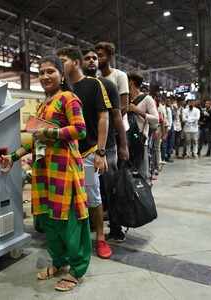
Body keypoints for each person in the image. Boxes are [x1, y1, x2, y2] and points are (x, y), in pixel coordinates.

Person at [0, 56, 90, 292]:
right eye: (41, 72)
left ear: (62, 75)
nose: (45, 76)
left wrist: (50, 134)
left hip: (65, 170)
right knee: (51, 222)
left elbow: (80, 130)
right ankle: (59, 263)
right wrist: (13, 157)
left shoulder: (68, 98)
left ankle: (77, 269)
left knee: (69, 221)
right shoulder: (43, 104)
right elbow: (37, 143)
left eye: (50, 71)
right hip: (44, 172)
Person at [57, 47, 112, 258]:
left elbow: (103, 118)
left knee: (93, 198)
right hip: (65, 154)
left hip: (88, 152)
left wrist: (100, 151)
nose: (60, 65)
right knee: (68, 200)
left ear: (75, 62)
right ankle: (74, 239)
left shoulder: (93, 84)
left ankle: (100, 238)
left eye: (63, 61)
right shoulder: (61, 90)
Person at [81, 48, 129, 243]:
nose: (92, 61)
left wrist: (123, 145)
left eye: (95, 58)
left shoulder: (108, 85)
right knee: (90, 191)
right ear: (80, 62)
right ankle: (93, 224)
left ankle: (116, 228)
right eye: (88, 58)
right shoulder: (75, 87)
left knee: (109, 188)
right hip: (83, 149)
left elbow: (117, 116)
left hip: (106, 147)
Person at [127, 73, 159, 181]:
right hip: (125, 141)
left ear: (131, 82)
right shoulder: (124, 99)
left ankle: (144, 196)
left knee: (142, 173)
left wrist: (137, 111)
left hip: (140, 141)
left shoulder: (147, 99)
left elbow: (156, 119)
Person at [95, 42, 129, 128]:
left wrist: (109, 122)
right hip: (102, 126)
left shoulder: (120, 75)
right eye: (96, 56)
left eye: (101, 56)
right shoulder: (96, 78)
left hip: (119, 127)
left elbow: (124, 106)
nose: (97, 59)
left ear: (109, 57)